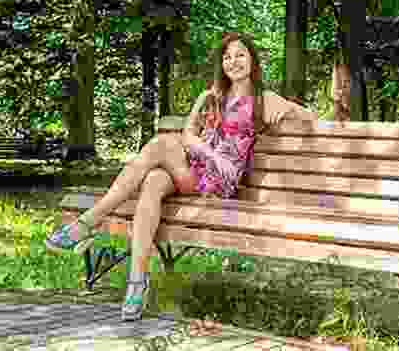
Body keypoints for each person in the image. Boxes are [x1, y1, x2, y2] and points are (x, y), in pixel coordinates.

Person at [45, 31, 318, 321]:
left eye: (240, 55)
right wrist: (198, 145)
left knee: (160, 144)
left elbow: (309, 117)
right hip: (195, 168)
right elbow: (188, 134)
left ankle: (88, 222)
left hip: (220, 178)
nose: (233, 61)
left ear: (252, 60)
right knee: (151, 182)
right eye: (227, 57)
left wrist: (288, 109)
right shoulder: (211, 96)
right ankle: (137, 283)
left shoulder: (263, 99)